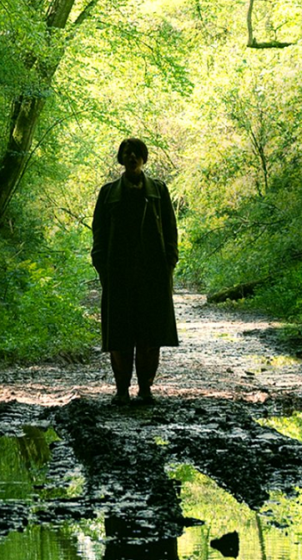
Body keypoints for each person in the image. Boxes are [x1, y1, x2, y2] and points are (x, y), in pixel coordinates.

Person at [91, 138, 179, 405]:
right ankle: (121, 390)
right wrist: (103, 266)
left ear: (144, 158)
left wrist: (169, 262)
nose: (131, 157)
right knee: (119, 334)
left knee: (150, 334)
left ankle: (145, 388)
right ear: (121, 158)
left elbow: (171, 230)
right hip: (118, 275)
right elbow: (99, 233)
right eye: (127, 153)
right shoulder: (107, 193)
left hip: (152, 275)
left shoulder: (159, 191)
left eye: (136, 153)